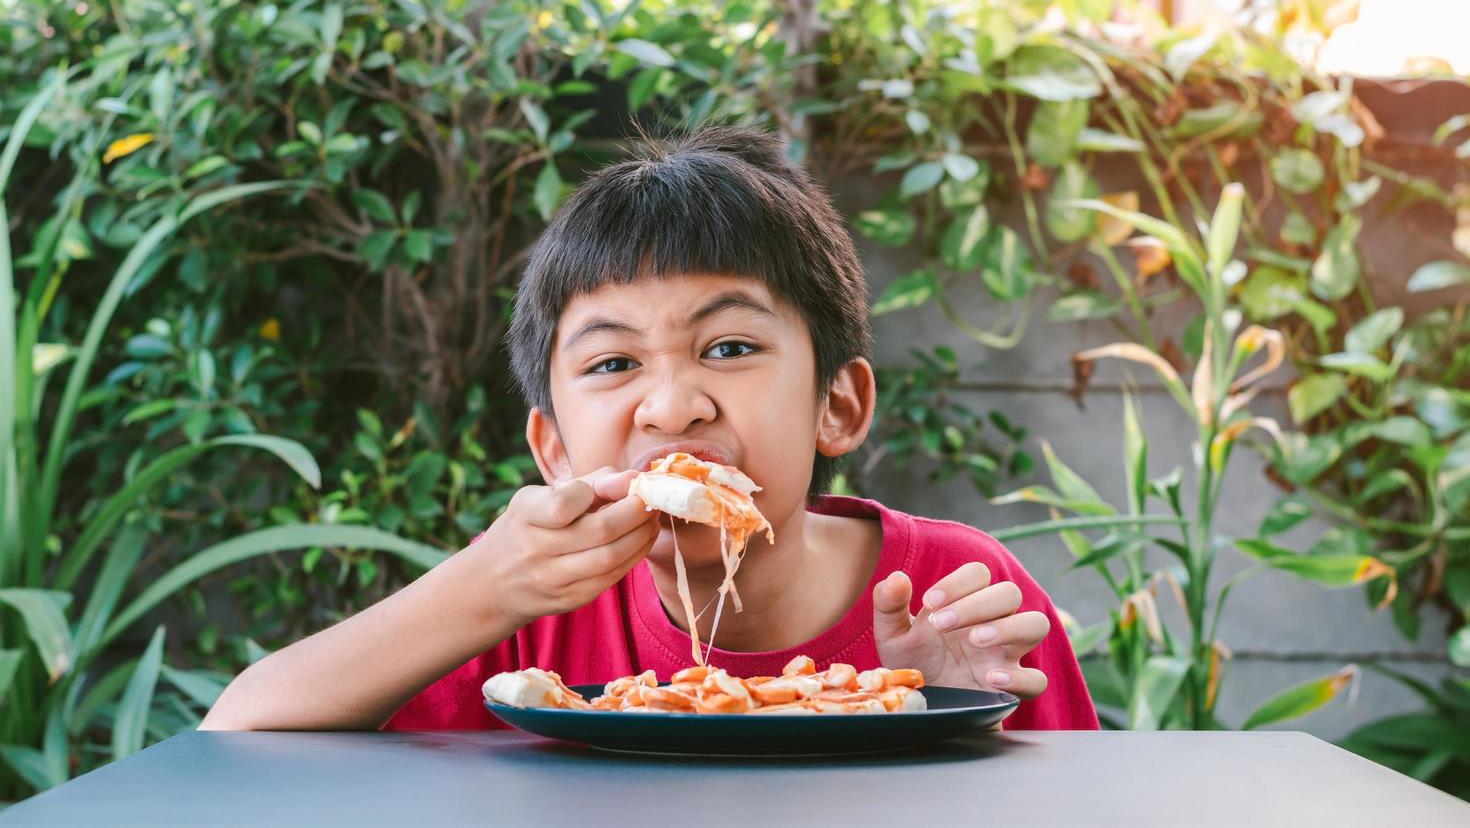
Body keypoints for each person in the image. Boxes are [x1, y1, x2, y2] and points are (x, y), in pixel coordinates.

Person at [201, 126, 1098, 732]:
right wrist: (482, 588)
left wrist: (948, 716)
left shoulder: (955, 595)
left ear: (838, 405)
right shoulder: (529, 625)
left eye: (731, 345)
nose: (672, 406)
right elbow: (238, 737)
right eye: (613, 364)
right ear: (553, 448)